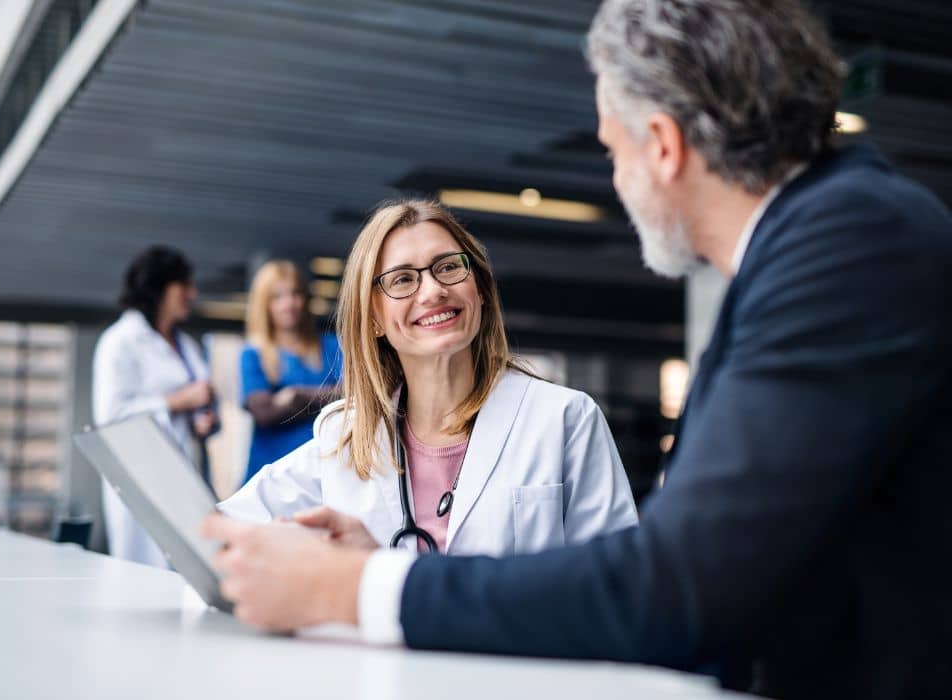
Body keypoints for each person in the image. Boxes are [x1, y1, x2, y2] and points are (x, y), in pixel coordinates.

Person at [202, 1, 952, 697]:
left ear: (661, 145)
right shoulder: (820, 242)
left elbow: (677, 586)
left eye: (611, 148)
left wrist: (353, 589)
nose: (615, 175)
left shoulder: (849, 246)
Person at [216, 200, 638, 558]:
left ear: (481, 290)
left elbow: (619, 589)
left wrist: (382, 576)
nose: (432, 290)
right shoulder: (344, 435)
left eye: (448, 267)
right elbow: (216, 534)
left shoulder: (564, 418)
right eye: (402, 279)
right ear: (374, 317)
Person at [95, 245, 216, 566]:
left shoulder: (186, 344)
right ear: (159, 287)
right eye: (184, 285)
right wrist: (178, 401)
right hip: (141, 473)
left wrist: (202, 419)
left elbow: (198, 404)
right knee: (143, 570)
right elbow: (110, 417)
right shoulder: (120, 342)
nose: (193, 293)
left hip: (185, 471)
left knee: (190, 568)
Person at [239, 260, 342, 484]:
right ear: (264, 304)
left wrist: (295, 396)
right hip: (272, 474)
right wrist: (327, 397)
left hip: (324, 471)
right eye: (277, 297)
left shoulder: (332, 346)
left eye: (295, 293)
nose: (289, 303)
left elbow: (354, 394)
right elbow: (264, 412)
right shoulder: (253, 354)